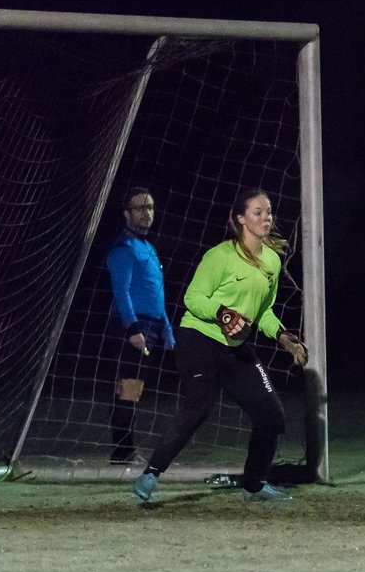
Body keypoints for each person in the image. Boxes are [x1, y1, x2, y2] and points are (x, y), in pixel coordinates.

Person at [132, 188, 308, 503]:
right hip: (199, 338)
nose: (266, 217)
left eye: (269, 212)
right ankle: (151, 473)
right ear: (241, 218)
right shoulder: (220, 256)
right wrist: (222, 312)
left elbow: (263, 311)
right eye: (258, 212)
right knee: (198, 407)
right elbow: (192, 298)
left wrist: (282, 336)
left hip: (235, 346)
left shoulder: (271, 260)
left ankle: (254, 484)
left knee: (272, 417)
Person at [105, 187, 175, 465]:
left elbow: (155, 292)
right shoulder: (123, 248)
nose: (147, 213)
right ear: (126, 213)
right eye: (140, 208)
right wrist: (133, 329)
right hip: (134, 327)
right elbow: (121, 292)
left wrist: (166, 327)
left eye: (150, 207)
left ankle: (126, 450)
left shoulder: (148, 247)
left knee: (136, 389)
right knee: (128, 389)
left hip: (153, 325)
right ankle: (122, 451)